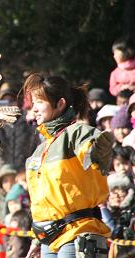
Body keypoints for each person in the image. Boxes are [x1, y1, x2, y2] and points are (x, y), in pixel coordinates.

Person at [23, 73, 113, 258]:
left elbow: (96, 145)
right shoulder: (39, 151)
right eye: (33, 104)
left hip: (78, 231)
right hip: (47, 237)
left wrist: (97, 151)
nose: (35, 109)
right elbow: (42, 200)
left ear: (60, 104)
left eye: (40, 102)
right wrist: (37, 239)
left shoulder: (77, 133)